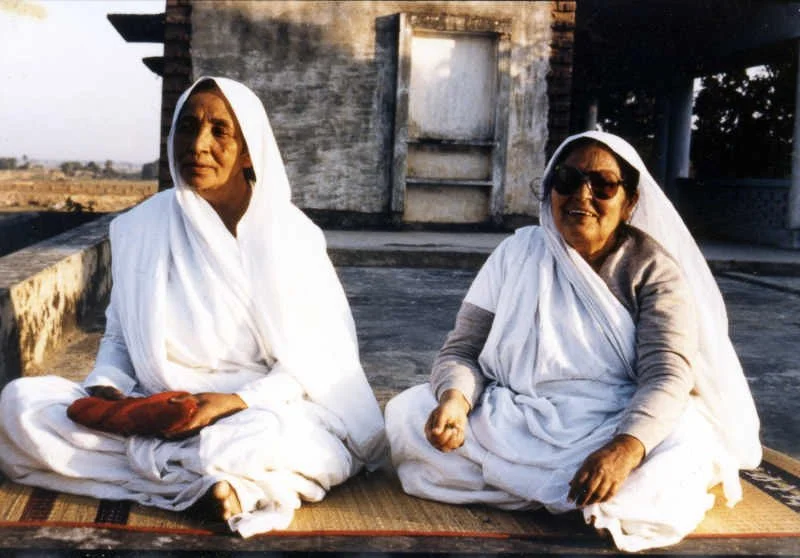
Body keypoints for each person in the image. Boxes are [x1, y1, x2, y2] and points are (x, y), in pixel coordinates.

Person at [0, 76, 386, 537]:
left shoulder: (291, 236)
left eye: (219, 131)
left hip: (257, 409)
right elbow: (121, 336)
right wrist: (108, 390)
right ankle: (214, 485)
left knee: (265, 443)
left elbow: (317, 363)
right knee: (20, 404)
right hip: (155, 408)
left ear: (248, 150)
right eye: (188, 128)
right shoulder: (140, 226)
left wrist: (232, 402)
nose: (198, 145)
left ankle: (204, 474)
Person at [385, 131, 762, 552]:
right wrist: (454, 401)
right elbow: (462, 349)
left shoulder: (653, 270)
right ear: (550, 191)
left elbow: (667, 376)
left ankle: (548, 489)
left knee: (686, 442)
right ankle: (573, 497)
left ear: (630, 202)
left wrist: (625, 448)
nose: (582, 196)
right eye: (567, 180)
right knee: (408, 414)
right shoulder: (517, 253)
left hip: (613, 419)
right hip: (516, 413)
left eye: (602, 185)